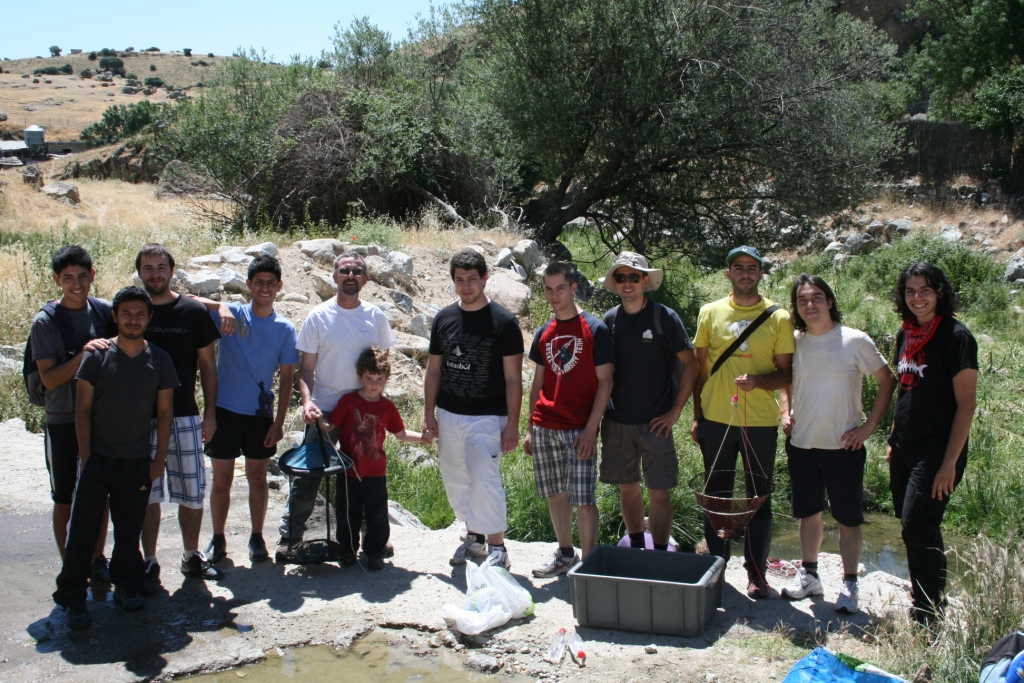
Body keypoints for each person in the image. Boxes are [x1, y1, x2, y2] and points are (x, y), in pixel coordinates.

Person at [53, 286, 178, 629]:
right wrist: (87, 457)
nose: (133, 320)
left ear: (149, 318)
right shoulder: (97, 356)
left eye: (140, 315)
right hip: (98, 460)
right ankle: (73, 598)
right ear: (115, 316)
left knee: (128, 533)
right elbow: (82, 410)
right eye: (127, 314)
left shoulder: (160, 359)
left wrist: (158, 461)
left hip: (137, 461)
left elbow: (165, 414)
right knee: (82, 534)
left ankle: (127, 587)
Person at [781, 274, 896, 614]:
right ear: (797, 308)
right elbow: (784, 380)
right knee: (808, 513)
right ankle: (810, 575)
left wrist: (869, 427)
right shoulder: (794, 341)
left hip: (844, 445)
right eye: (802, 300)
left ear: (829, 301)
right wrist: (785, 411)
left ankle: (850, 584)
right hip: (801, 443)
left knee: (848, 518)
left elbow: (887, 380)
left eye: (816, 297)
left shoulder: (854, 340)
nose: (810, 305)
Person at [277, 251, 397, 560]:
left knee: (367, 475)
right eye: (344, 271)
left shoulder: (375, 317)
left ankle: (374, 540)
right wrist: (306, 402)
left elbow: (382, 364)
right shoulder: (319, 316)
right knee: (310, 475)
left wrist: (381, 402)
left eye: (357, 271)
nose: (350, 276)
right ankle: (291, 536)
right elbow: (306, 369)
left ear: (366, 279)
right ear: (335, 277)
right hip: (326, 410)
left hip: (365, 410)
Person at [690, 245, 793, 599]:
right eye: (738, 267)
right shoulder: (710, 312)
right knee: (715, 496)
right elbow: (699, 370)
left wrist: (761, 383)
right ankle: (716, 570)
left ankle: (757, 573)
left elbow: (785, 374)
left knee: (758, 497)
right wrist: (697, 416)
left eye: (752, 267)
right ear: (728, 273)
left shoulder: (778, 317)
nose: (745, 273)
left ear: (761, 273)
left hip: (760, 422)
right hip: (717, 419)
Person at [888, 262, 977, 626]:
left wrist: (948, 464)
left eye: (925, 290)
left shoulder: (956, 336)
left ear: (939, 292)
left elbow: (966, 405)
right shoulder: (906, 333)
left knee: (916, 524)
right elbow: (904, 390)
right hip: (905, 446)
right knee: (916, 525)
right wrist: (893, 437)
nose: (917, 298)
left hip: (938, 450)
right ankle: (927, 597)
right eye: (910, 291)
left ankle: (928, 609)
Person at [423, 249, 524, 569]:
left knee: (484, 479)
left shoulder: (504, 322)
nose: (465, 286)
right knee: (457, 479)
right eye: (459, 280)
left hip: (488, 415)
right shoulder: (443, 318)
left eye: (471, 279)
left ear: (484, 279)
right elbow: (434, 370)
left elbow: (513, 379)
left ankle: (498, 549)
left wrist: (512, 425)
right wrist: (428, 415)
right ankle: (475, 540)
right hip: (449, 413)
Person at [201, 256, 300, 564]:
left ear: (280, 286)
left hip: (260, 415)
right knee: (221, 480)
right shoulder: (233, 315)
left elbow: (286, 380)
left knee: (257, 478)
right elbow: (189, 300)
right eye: (259, 282)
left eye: (271, 283)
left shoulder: (284, 329)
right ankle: (217, 538)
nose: (265, 288)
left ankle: (257, 538)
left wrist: (279, 422)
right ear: (248, 285)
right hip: (225, 411)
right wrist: (221, 307)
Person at [135, 244, 223, 587]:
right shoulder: (133, 311)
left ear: (172, 271)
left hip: (186, 415)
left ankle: (190, 555)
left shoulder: (191, 311)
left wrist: (211, 414)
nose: (155, 273)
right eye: (148, 268)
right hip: (140, 419)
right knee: (147, 492)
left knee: (192, 490)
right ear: (140, 273)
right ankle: (149, 560)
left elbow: (208, 367)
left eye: (160, 267)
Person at [599, 252, 698, 552]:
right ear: (614, 283)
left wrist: (676, 411)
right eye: (621, 277)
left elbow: (691, 365)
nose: (627, 283)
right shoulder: (610, 320)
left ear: (645, 281)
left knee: (659, 492)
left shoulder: (664, 317)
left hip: (656, 423)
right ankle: (637, 545)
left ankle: (659, 552)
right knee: (627, 487)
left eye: (633, 277)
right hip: (617, 422)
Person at [524, 262, 613, 577]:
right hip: (545, 424)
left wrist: (591, 429)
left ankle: (588, 565)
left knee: (584, 498)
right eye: (548, 289)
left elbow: (605, 382)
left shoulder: (595, 328)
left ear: (574, 288)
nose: (554, 295)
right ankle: (564, 554)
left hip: (579, 428)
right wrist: (529, 428)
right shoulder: (544, 332)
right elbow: (537, 384)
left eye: (560, 288)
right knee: (556, 493)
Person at [29, 245, 113, 573]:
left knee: (100, 493)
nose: (76, 284)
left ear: (92, 275)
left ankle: (96, 558)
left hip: (99, 419)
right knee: (64, 498)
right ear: (56, 280)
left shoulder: (105, 312)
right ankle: (71, 569)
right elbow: (49, 379)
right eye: (68, 278)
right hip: (62, 419)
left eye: (82, 276)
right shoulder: (46, 322)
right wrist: (84, 355)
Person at [328, 347, 427, 570]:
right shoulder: (348, 401)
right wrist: (315, 416)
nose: (374, 384)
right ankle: (347, 551)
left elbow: (400, 433)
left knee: (377, 514)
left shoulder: (387, 407)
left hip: (375, 470)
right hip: (349, 469)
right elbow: (331, 424)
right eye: (369, 378)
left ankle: (375, 552)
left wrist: (423, 438)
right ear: (361, 376)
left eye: (379, 379)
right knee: (347, 513)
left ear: (386, 379)